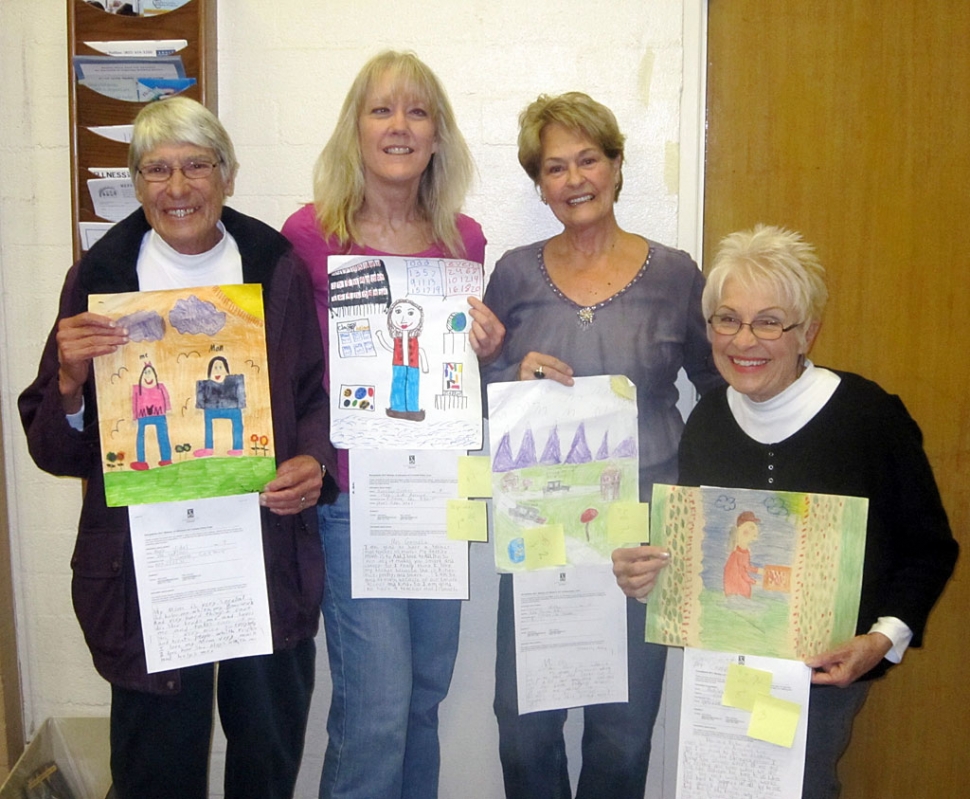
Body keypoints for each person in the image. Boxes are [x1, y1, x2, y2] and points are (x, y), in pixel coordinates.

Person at [19, 96, 334, 799]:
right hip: (148, 557)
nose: (179, 188)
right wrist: (69, 382)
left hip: (259, 544)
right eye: (157, 170)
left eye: (196, 166)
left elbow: (312, 396)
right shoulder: (101, 276)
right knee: (156, 766)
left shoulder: (272, 264)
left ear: (227, 174)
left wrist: (312, 460)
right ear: (135, 183)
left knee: (266, 751)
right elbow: (53, 444)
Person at [611, 224, 959, 798]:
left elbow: (929, 547)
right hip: (722, 671)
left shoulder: (867, 417)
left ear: (807, 333)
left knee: (802, 787)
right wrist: (649, 574)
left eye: (769, 321)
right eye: (727, 319)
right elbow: (700, 555)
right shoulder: (708, 421)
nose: (744, 340)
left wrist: (880, 640)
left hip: (824, 675)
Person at [481, 91, 722, 799]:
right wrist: (509, 372)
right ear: (538, 183)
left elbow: (715, 391)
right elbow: (476, 391)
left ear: (617, 167)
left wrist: (694, 508)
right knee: (522, 726)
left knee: (622, 730)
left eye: (588, 159)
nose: (574, 179)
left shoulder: (676, 273)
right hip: (541, 527)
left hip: (640, 532)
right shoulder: (515, 273)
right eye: (554, 167)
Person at [281, 50, 504, 799]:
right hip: (355, 498)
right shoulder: (310, 234)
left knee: (423, 699)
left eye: (416, 111)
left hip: (440, 493)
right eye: (382, 110)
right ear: (356, 129)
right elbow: (289, 367)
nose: (400, 126)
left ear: (438, 135)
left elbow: (460, 377)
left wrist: (486, 349)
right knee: (374, 710)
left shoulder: (464, 240)